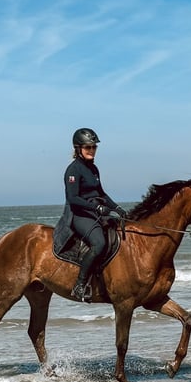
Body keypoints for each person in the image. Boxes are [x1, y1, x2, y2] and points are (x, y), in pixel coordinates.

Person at [62, 127, 127, 301]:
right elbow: (73, 198)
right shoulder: (73, 170)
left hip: (95, 212)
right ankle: (80, 285)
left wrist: (116, 208)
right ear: (78, 149)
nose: (92, 150)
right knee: (99, 243)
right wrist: (97, 209)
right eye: (88, 147)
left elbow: (101, 193)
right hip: (79, 215)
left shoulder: (93, 169)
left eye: (94, 147)